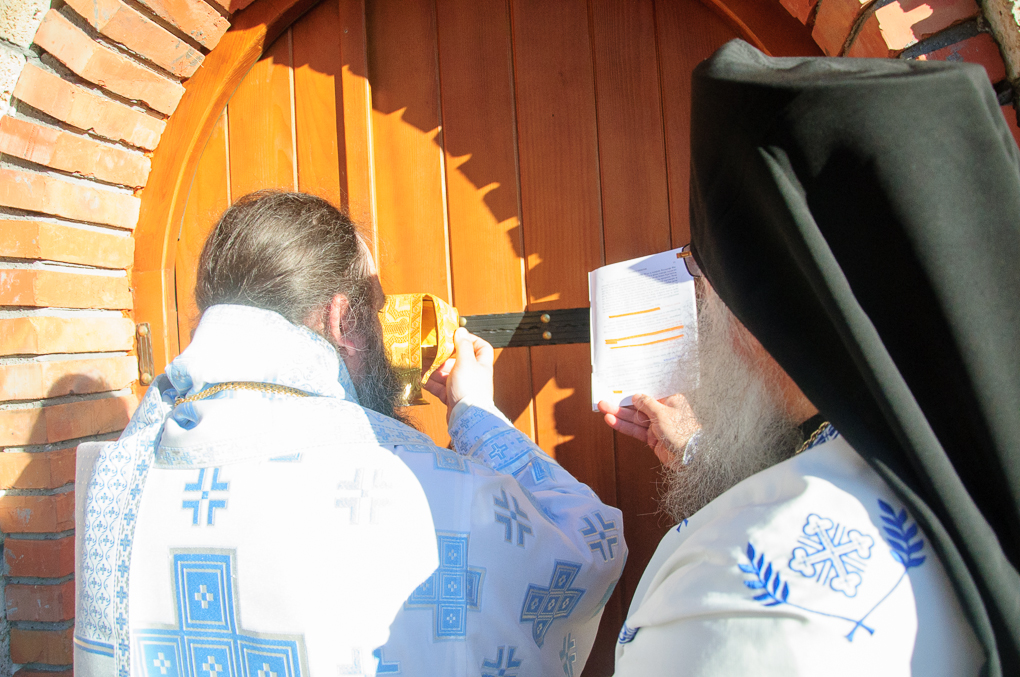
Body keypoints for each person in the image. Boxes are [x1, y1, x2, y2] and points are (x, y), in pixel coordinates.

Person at [73, 191, 625, 677]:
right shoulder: (417, 492)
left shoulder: (122, 476)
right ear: (344, 321)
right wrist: (475, 414)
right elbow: (587, 549)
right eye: (376, 309)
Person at [600, 40, 1019, 675]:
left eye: (698, 267)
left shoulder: (737, 591)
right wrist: (697, 453)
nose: (700, 297)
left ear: (767, 298)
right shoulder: (974, 438)